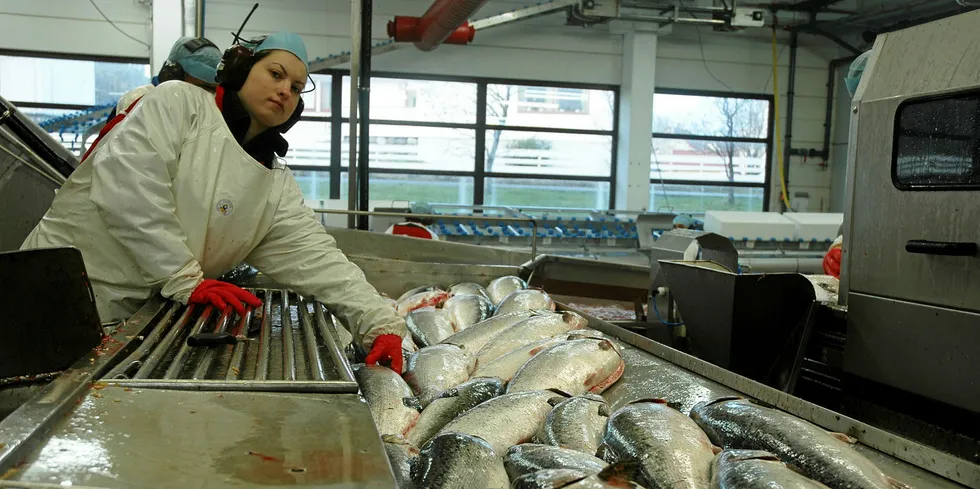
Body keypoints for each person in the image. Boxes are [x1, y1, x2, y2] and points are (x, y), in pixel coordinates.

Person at [22, 31, 407, 371]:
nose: (285, 90)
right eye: (275, 74)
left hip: (132, 325)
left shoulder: (273, 182)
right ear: (239, 71)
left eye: (296, 86)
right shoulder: (179, 105)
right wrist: (184, 278)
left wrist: (378, 325)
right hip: (58, 296)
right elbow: (126, 188)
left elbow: (317, 259)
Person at [82, 37, 223, 163]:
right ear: (172, 75)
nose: (207, 96)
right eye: (202, 87)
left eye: (212, 89)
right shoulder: (137, 101)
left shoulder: (207, 110)